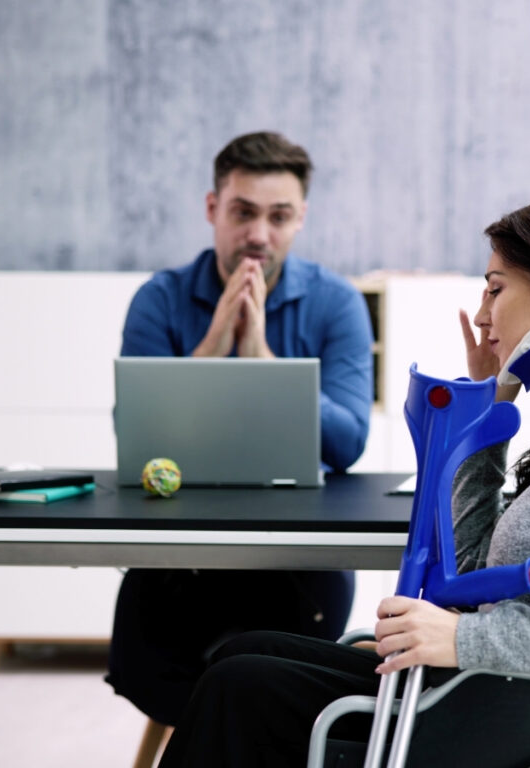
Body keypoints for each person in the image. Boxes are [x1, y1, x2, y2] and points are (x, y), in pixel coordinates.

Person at [156, 193, 530, 767]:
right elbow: (470, 571)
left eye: (495, 288)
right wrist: (491, 398)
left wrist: (462, 641)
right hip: (502, 684)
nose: (482, 314)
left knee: (240, 687)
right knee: (245, 653)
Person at [106, 132, 374, 729]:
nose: (259, 233)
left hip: (298, 564)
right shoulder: (160, 298)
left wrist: (262, 362)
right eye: (243, 212)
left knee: (264, 686)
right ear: (212, 209)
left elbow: (349, 442)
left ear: (300, 217)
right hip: (179, 562)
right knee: (187, 681)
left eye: (278, 216)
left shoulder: (336, 303)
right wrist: (209, 349)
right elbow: (137, 439)